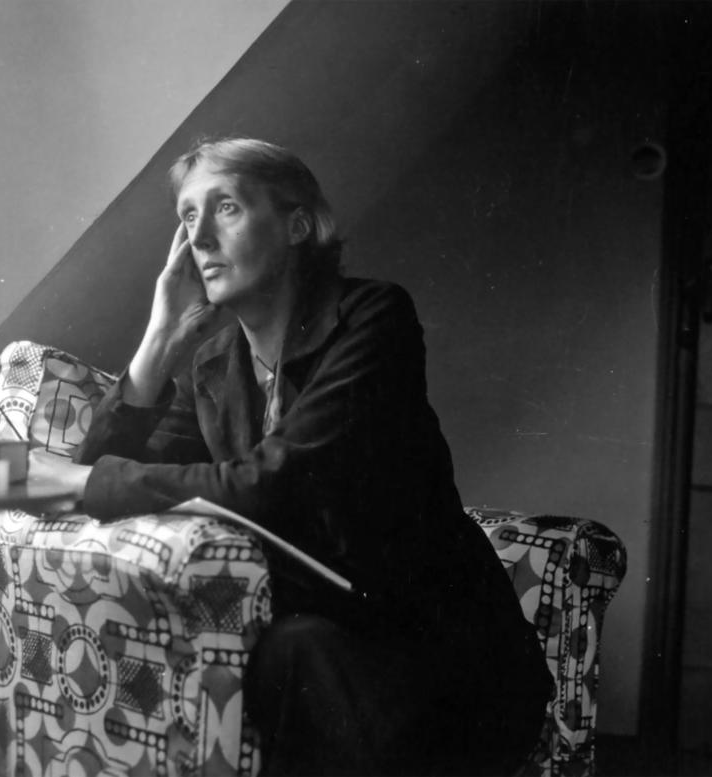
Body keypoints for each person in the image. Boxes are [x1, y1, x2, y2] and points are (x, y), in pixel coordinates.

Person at [30, 138, 551, 776]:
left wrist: (86, 480)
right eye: (188, 216)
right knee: (287, 649)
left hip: (451, 665)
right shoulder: (213, 366)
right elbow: (97, 490)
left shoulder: (373, 318)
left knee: (294, 650)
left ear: (297, 225)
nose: (200, 237)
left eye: (225, 207)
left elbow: (269, 486)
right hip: (325, 648)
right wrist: (159, 340)